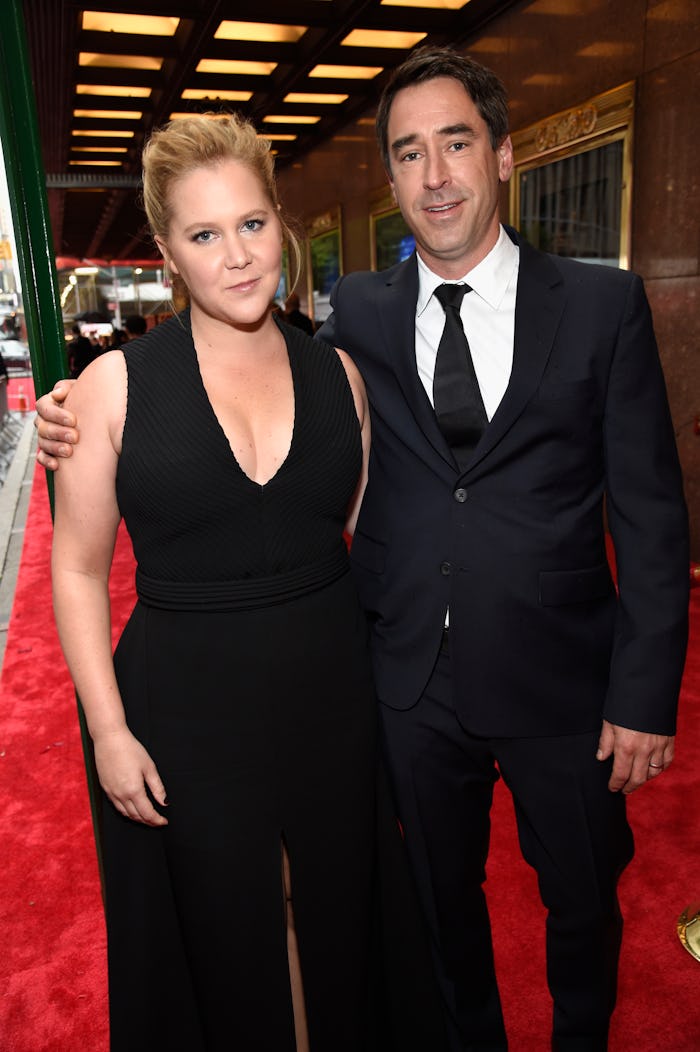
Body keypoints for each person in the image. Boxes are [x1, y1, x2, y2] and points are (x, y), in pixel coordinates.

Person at [36, 46, 689, 1051]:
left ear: (503, 154)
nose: (434, 176)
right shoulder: (361, 319)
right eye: (409, 153)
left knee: (575, 904)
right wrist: (69, 414)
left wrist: (642, 693)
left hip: (550, 679)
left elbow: (649, 512)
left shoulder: (590, 309)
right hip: (395, 689)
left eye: (456, 144)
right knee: (427, 913)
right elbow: (130, 544)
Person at [48, 112, 443, 1052]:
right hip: (185, 703)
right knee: (228, 926)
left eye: (253, 224)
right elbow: (75, 568)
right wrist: (107, 730)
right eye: (204, 234)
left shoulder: (341, 376)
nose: (236, 256)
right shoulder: (112, 388)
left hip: (329, 691)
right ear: (170, 253)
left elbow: (343, 531)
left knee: (331, 910)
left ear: (283, 225)